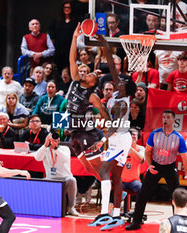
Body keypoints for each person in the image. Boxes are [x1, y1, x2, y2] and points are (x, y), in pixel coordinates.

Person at [88, 33, 136, 231]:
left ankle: (104, 213)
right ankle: (116, 215)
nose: (119, 81)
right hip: (117, 137)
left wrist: (102, 140)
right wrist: (105, 45)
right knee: (116, 178)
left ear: (128, 90)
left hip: (119, 137)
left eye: (123, 83)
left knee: (103, 171)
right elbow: (111, 65)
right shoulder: (118, 91)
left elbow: (115, 126)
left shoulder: (122, 104)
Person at [126, 110, 187, 231]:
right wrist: (150, 165)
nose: (165, 120)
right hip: (156, 165)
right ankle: (136, 222)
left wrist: (186, 175)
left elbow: (185, 158)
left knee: (176, 196)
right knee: (143, 193)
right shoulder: (155, 134)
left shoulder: (178, 138)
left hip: (170, 167)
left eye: (168, 117)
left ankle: (177, 223)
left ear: (173, 120)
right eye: (163, 117)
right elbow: (147, 151)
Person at [68, 23, 110, 180]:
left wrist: (108, 127)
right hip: (74, 132)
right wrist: (74, 38)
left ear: (94, 83)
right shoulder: (75, 80)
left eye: (91, 74)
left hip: (87, 133)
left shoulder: (92, 95)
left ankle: (114, 196)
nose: (87, 74)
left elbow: (103, 111)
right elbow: (72, 59)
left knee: (98, 168)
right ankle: (111, 192)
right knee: (87, 167)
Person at [34, 131, 79, 216]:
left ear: (58, 140)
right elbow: (37, 158)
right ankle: (41, 207)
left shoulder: (65, 148)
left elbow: (65, 158)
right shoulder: (45, 150)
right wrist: (45, 145)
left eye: (55, 139)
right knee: (40, 182)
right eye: (50, 139)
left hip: (65, 178)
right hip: (50, 178)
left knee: (72, 180)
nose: (53, 141)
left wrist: (56, 148)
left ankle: (71, 207)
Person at [49, 0, 78, 72]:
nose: (67, 9)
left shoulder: (76, 21)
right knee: (58, 69)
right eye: (65, 7)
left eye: (69, 7)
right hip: (59, 49)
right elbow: (52, 35)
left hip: (71, 48)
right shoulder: (56, 20)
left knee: (71, 67)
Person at [121, 129, 145, 194]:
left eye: (134, 135)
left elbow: (141, 159)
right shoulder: (121, 148)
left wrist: (130, 148)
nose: (132, 136)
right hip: (121, 180)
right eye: (130, 134)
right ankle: (114, 204)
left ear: (138, 137)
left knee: (142, 190)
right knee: (113, 189)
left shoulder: (141, 148)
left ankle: (139, 204)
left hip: (134, 181)